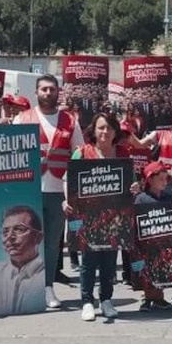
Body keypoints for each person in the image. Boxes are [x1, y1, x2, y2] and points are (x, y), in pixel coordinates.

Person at [12, 75, 83, 311]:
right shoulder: (22, 119)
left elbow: (78, 153)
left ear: (58, 92)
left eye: (52, 89)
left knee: (52, 243)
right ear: (36, 92)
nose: (48, 93)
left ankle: (47, 286)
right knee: (26, 242)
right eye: (43, 89)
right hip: (29, 189)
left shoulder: (70, 121)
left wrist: (70, 185)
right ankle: (25, 286)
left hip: (57, 192)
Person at [68, 111, 138, 322]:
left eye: (108, 127)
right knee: (88, 260)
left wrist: (135, 187)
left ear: (115, 131)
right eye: (100, 127)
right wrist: (66, 201)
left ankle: (106, 300)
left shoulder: (124, 154)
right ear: (94, 130)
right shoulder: (82, 152)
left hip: (115, 217)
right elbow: (68, 180)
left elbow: (132, 181)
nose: (105, 132)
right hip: (88, 216)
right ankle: (87, 301)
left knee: (109, 259)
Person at [135, 161, 172, 312]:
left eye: (166, 179)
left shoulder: (168, 197)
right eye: (160, 179)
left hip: (163, 241)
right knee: (147, 270)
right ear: (150, 180)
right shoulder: (141, 199)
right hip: (146, 242)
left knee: (162, 269)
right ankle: (147, 297)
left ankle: (159, 298)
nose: (164, 182)